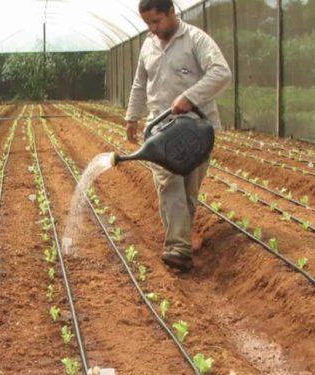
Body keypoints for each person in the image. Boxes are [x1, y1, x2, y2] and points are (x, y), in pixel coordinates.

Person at [125, 0, 231, 272]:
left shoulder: (195, 39)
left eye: (157, 21)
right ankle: (178, 247)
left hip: (196, 129)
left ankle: (180, 241)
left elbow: (222, 73)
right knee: (168, 182)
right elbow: (140, 82)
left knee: (188, 189)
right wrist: (132, 116)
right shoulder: (148, 44)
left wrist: (190, 97)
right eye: (148, 23)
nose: (153, 28)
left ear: (172, 12)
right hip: (161, 131)